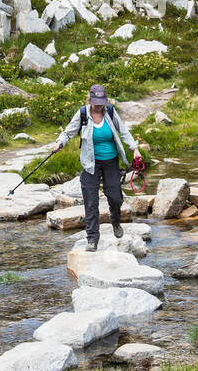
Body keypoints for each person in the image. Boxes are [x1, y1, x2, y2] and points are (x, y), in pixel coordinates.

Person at [53, 83, 141, 251]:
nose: (99, 105)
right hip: (90, 163)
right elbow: (69, 132)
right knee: (91, 202)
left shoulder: (110, 111)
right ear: (90, 98)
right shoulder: (83, 113)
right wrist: (60, 142)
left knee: (115, 197)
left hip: (111, 162)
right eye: (96, 101)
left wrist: (135, 149)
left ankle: (115, 220)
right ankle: (92, 239)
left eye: (102, 101)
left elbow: (124, 132)